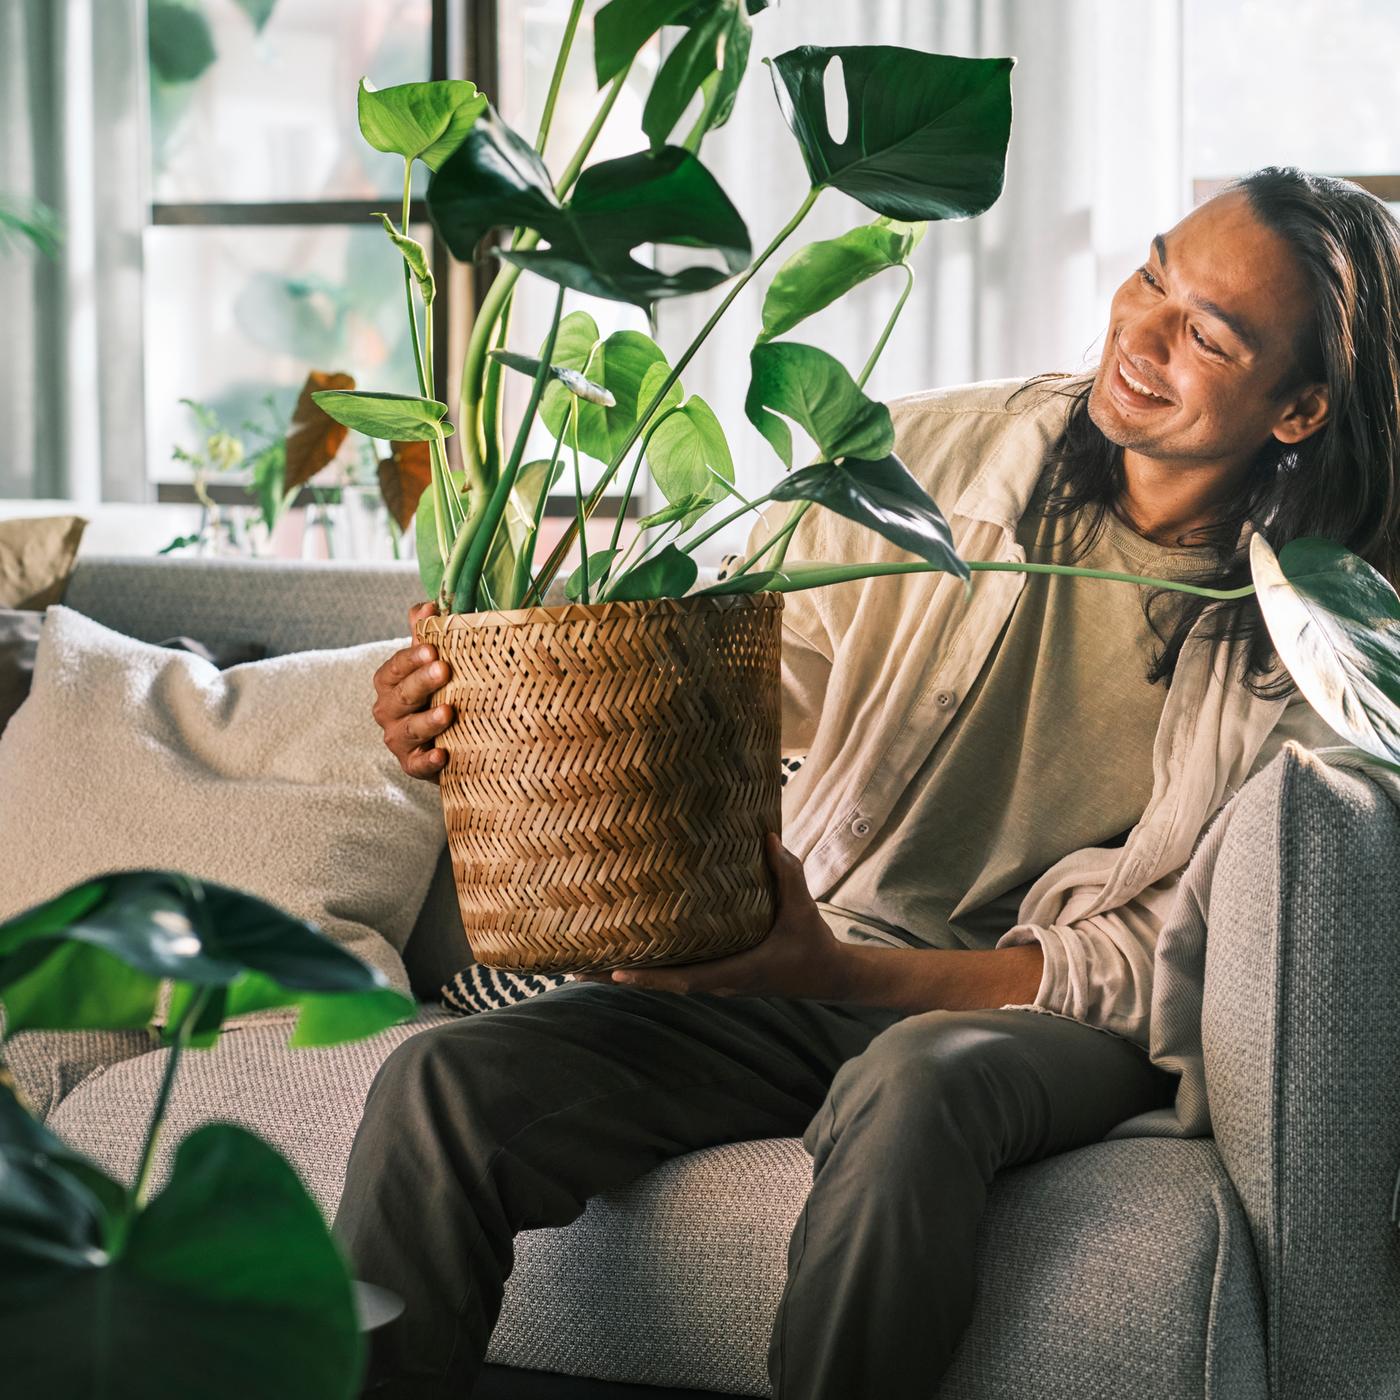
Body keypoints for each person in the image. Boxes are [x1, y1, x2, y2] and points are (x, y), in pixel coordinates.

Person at [338, 167, 1400, 1399]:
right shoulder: (928, 456)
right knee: (441, 1080)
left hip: (1041, 1017)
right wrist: (483, 720)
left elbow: (1152, 967)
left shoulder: (1316, 640)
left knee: (916, 1085)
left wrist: (841, 973)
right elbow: (727, 691)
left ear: (1297, 410)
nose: (1142, 331)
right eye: (1152, 272)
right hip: (814, 953)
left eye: (1208, 335)